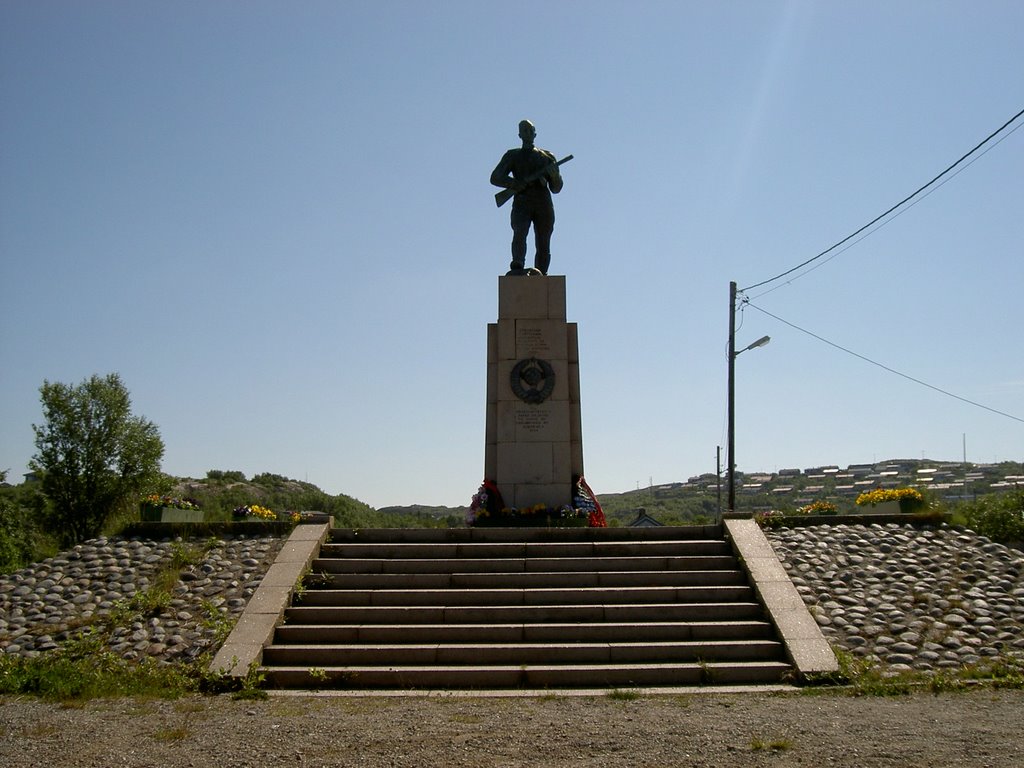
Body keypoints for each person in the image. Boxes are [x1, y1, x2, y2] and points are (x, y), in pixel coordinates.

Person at [490, 120, 564, 275]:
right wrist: (516, 183)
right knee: (520, 233)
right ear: (519, 134)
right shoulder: (513, 155)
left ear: (535, 133)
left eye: (530, 130)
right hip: (522, 201)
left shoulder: (547, 157)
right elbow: (495, 177)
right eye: (524, 130)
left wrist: (555, 175)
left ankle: (542, 271)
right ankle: (518, 263)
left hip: (543, 202)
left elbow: (556, 188)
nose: (528, 133)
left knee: (544, 239)